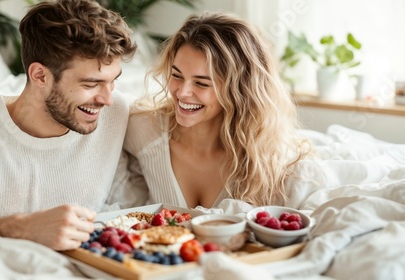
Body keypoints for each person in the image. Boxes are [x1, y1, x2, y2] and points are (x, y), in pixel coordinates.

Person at [0, 0, 137, 251]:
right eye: (90, 84)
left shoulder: (115, 112)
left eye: (113, 81)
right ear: (40, 76)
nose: (107, 99)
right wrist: (18, 228)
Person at [123, 11, 311, 211]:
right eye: (177, 75)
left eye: (201, 83)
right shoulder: (143, 129)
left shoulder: (266, 159)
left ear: (239, 90)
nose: (183, 93)